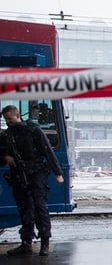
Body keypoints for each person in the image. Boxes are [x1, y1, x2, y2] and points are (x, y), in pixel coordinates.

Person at [0, 105, 64, 256]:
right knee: (24, 209)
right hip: (18, 175)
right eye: (5, 119)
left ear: (17, 115)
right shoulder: (7, 136)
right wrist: (5, 157)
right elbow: (1, 154)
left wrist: (58, 173)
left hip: (36, 174)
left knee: (40, 208)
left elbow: (47, 150)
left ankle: (44, 243)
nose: (7, 122)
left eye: (9, 119)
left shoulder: (33, 130)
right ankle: (26, 242)